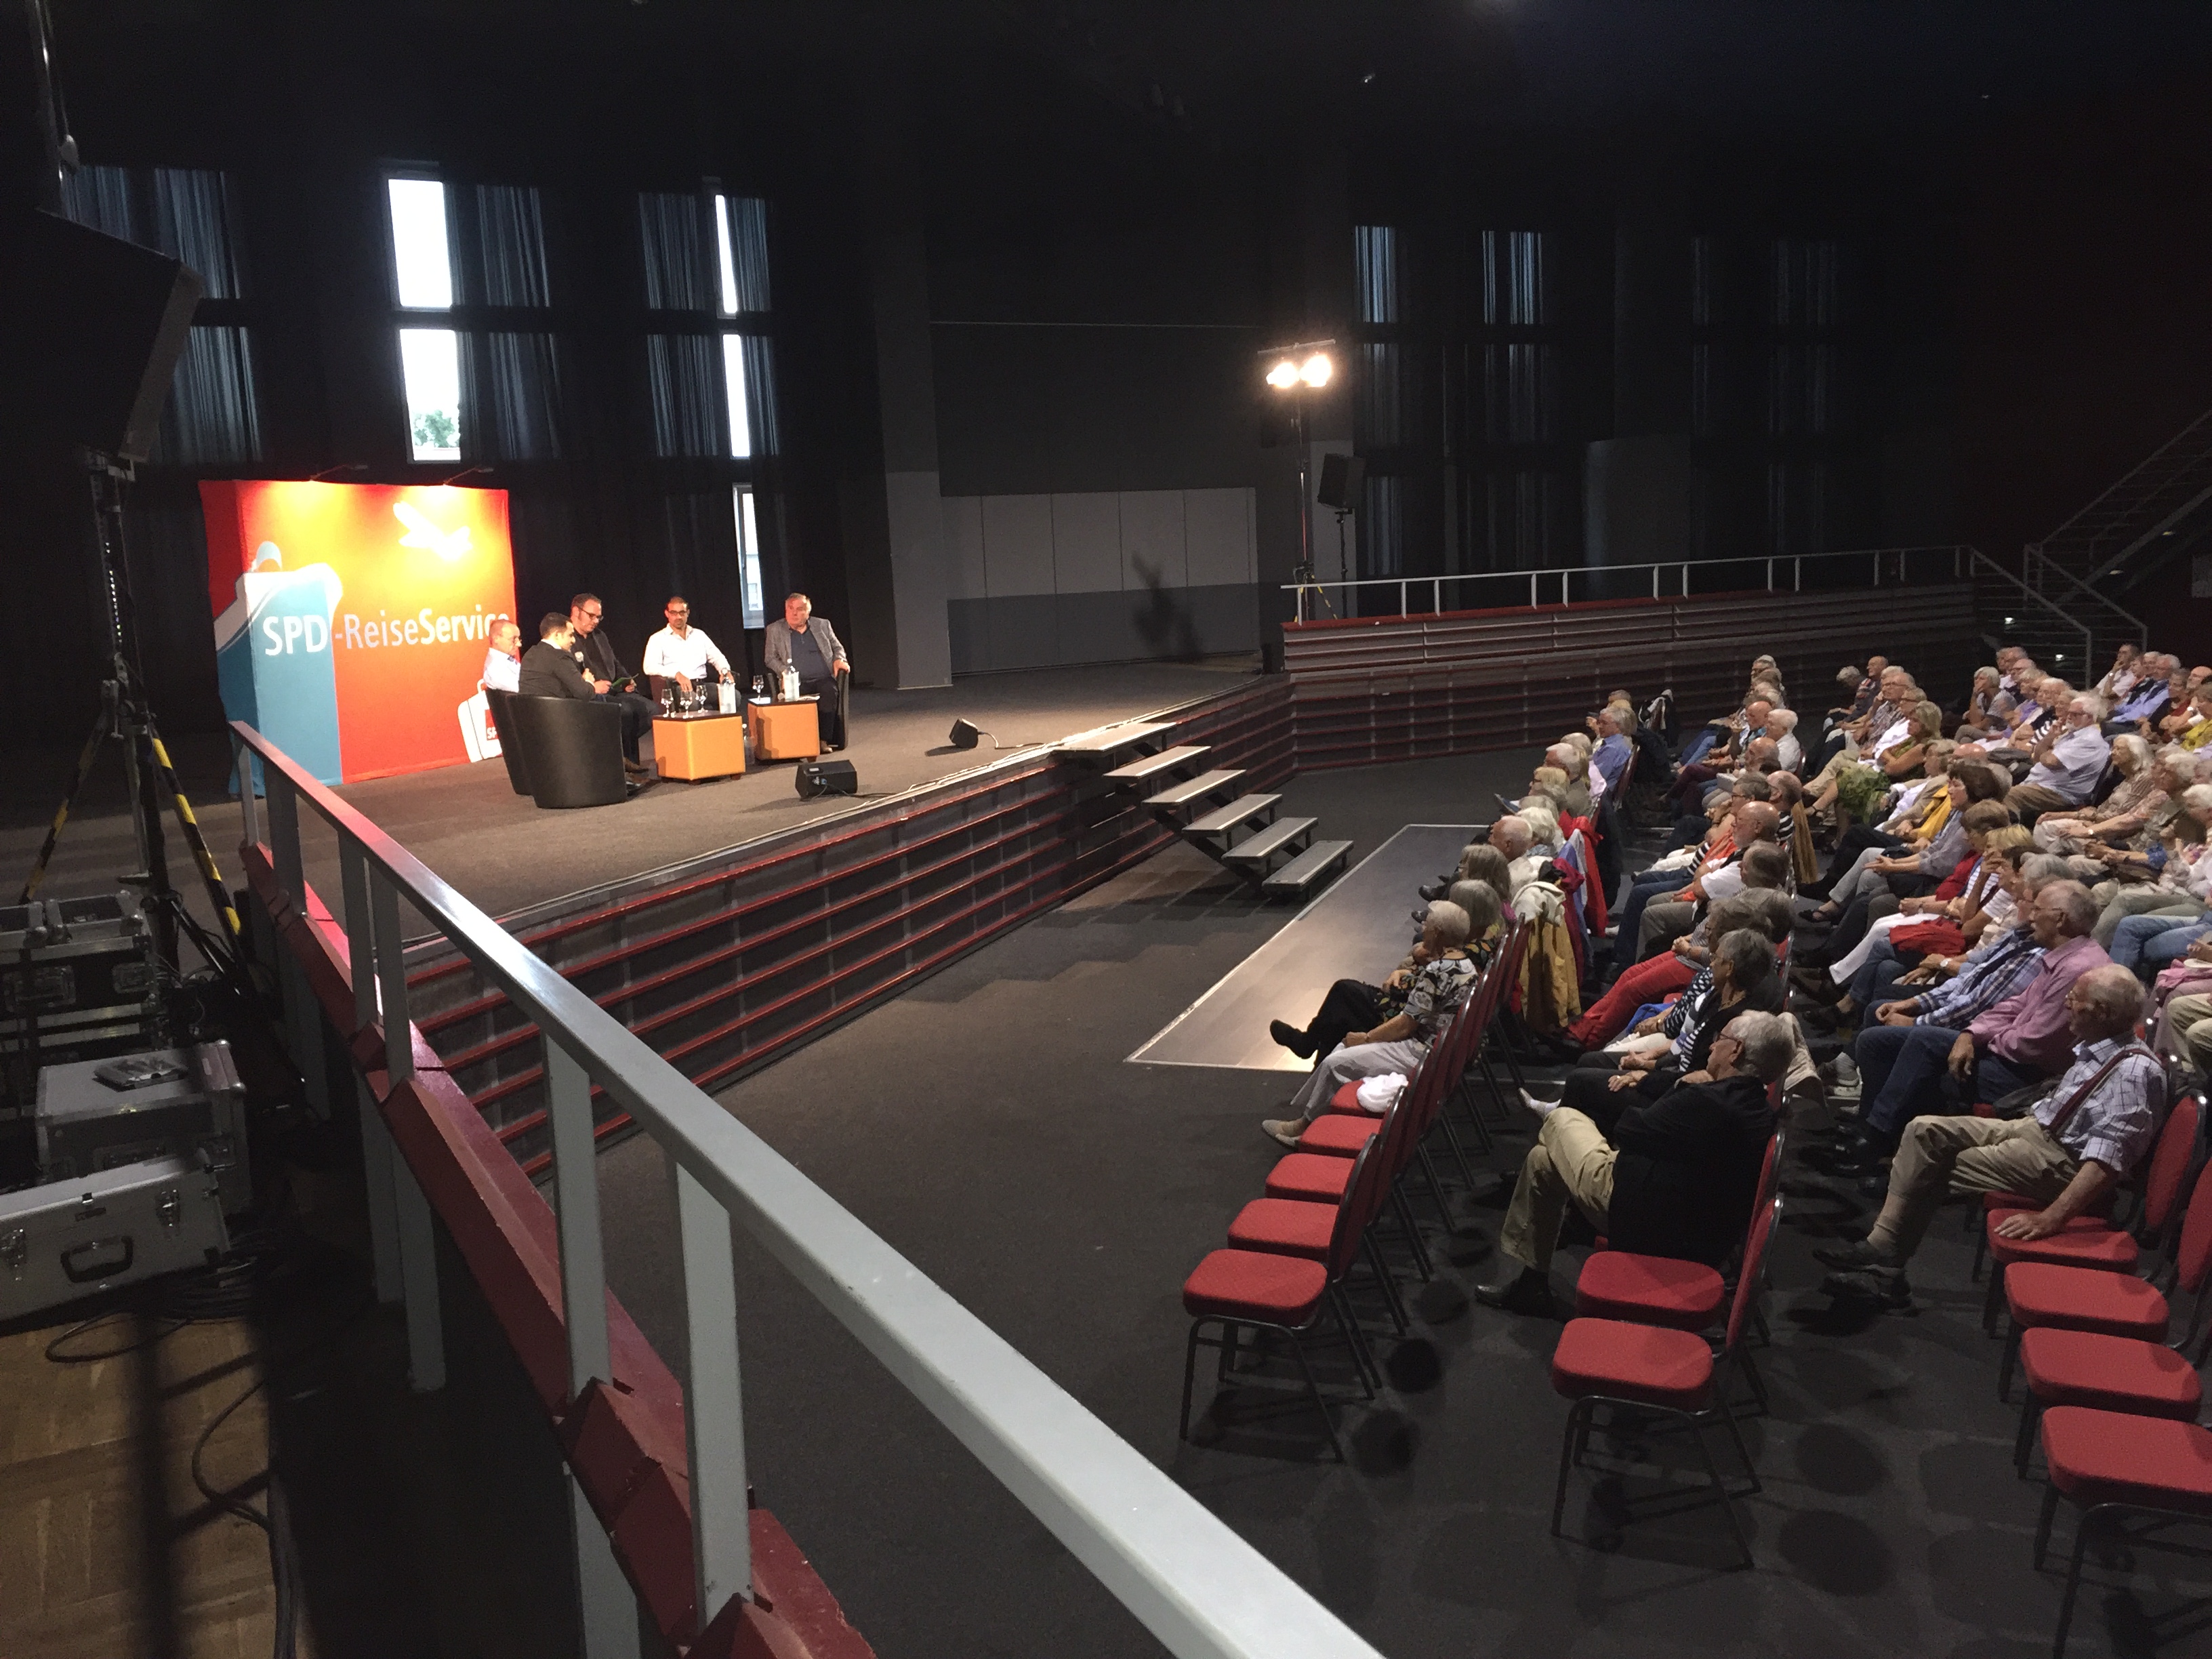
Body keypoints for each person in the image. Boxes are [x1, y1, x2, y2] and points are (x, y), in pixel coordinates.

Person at [1816, 964, 2164, 1309]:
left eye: (2074, 999)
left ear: (2101, 1012)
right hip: (2036, 1130)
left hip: (2062, 1162)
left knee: (1932, 1166)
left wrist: (2051, 1218)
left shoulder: (2133, 1072)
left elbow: (2106, 1162)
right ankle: (1882, 1254)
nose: (2066, 1004)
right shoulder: (2099, 1044)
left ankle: (1884, 1268)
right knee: (1923, 1131)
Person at [1474, 1010, 1790, 1313]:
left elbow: (1629, 1129)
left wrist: (1681, 1085)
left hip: (1644, 1218)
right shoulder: (1754, 1106)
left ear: (1736, 1051)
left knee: (1561, 1117)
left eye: (1719, 1038)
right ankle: (1531, 1285)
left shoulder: (1710, 1102)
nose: (1711, 1045)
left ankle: (1568, 1226)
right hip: (1685, 1220)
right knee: (1543, 1161)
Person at [1260, 901, 1479, 1149]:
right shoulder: (1466, 965)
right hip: (1436, 1047)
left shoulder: (1438, 970)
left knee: (1335, 1062)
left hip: (1421, 1052)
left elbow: (1405, 1024)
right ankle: (1317, 1125)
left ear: (1438, 933)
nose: (1423, 928)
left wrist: (1366, 1038)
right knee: (1342, 1048)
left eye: (1427, 925)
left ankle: (1306, 1131)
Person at [568, 592, 655, 767]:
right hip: (591, 694)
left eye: (599, 617)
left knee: (651, 709)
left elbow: (614, 662)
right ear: (576, 611)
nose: (596, 621)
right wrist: (592, 686)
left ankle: (627, 759)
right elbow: (568, 673)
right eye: (591, 616)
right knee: (625, 712)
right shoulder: (567, 637)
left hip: (614, 689)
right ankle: (623, 763)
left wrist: (627, 680)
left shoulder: (600, 636)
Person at [2004, 694, 2112, 824]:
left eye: (2075, 714)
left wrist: (2048, 754)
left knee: (2010, 795)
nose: (2069, 717)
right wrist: (2050, 737)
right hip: (2042, 784)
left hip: (2060, 793)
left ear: (2089, 717)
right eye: (2069, 713)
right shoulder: (2071, 734)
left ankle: (2008, 833)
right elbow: (2038, 757)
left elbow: (2052, 762)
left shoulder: (2089, 740)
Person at [764, 592, 851, 750]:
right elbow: (770, 658)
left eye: (799, 609)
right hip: (795, 681)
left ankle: (822, 740)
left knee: (830, 692)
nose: (794, 613)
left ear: (808, 612)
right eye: (790, 609)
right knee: (792, 699)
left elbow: (837, 647)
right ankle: (798, 743)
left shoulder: (822, 625)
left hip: (823, 678)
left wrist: (840, 659)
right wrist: (784, 672)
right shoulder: (775, 629)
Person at [642, 594, 735, 704]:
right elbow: (649, 667)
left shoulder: (699, 635)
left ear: (688, 613)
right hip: (678, 686)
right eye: (674, 613)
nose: (679, 617)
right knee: (692, 701)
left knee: (733, 696)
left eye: (682, 613)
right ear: (667, 614)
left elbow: (717, 657)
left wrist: (725, 671)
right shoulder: (657, 639)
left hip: (701, 685)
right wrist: (676, 674)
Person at [519, 613, 594, 699]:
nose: (574, 640)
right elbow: (585, 693)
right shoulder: (560, 656)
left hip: (528, 707)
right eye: (570, 635)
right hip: (557, 708)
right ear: (557, 635)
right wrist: (588, 681)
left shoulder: (530, 653)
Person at [480, 615, 522, 693]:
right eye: (513, 640)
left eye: (519, 639)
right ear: (496, 639)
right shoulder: (495, 669)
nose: (519, 644)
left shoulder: (505, 661)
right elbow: (526, 689)